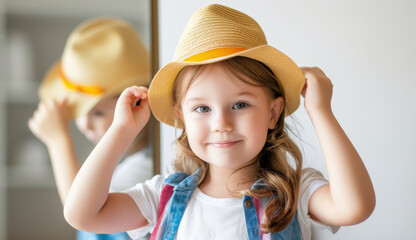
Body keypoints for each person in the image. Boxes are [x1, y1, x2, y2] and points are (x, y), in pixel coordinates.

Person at [63, 4, 375, 240]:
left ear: (273, 111)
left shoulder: (296, 194)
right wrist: (122, 131)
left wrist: (321, 111)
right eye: (202, 109)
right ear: (181, 115)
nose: (221, 123)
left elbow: (354, 207)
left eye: (240, 104)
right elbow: (82, 215)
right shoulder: (160, 197)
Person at [28, 18, 153, 240]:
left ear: (136, 105)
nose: (83, 124)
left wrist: (58, 140)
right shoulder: (122, 157)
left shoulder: (144, 166)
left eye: (97, 113)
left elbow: (80, 209)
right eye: (78, 112)